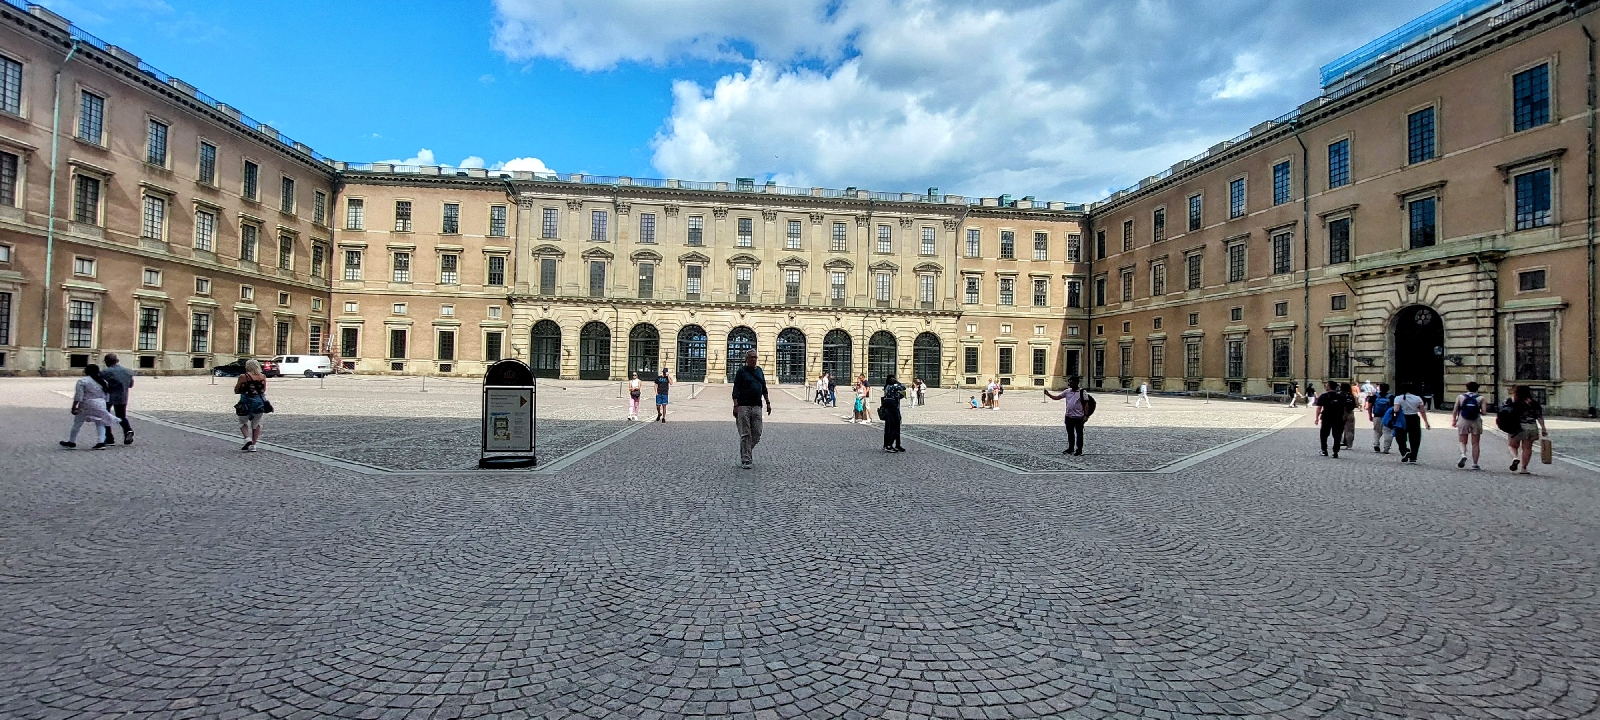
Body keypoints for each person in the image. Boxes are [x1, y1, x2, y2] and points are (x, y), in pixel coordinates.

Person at [60, 364, 118, 449]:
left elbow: (79, 396)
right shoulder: (103, 381)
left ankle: (72, 441)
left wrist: (74, 406)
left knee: (78, 422)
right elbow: (107, 396)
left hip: (87, 403)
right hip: (100, 403)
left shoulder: (83, 381)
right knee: (100, 423)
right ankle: (101, 442)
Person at [731, 350, 772, 469]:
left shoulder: (759, 371)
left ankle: (746, 451)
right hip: (743, 406)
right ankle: (746, 459)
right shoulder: (741, 371)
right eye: (751, 357)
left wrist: (768, 402)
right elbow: (736, 389)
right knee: (745, 433)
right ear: (747, 359)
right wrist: (735, 405)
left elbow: (764, 387)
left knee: (757, 433)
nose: (754, 359)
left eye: (755, 357)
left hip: (757, 405)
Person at [1505, 384, 1549, 474]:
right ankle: (1524, 468)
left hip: (1517, 427)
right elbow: (1539, 416)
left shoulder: (1512, 401)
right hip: (1532, 427)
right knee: (1527, 448)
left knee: (1512, 445)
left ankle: (1515, 458)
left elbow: (1505, 412)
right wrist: (1543, 428)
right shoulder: (1534, 403)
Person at [1044, 376, 1091, 456]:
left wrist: (1086, 415)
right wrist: (1049, 395)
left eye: (1071, 382)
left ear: (1077, 383)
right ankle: (1070, 448)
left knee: (1079, 434)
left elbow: (1086, 404)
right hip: (1068, 417)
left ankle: (1079, 450)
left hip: (1078, 417)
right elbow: (1058, 397)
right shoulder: (1067, 391)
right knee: (1070, 434)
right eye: (1069, 382)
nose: (1070, 384)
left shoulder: (1082, 392)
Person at [234, 359, 269, 452]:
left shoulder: (243, 376)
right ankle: (253, 445)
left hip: (246, 402)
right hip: (259, 403)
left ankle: (247, 438)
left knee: (243, 422)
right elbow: (263, 390)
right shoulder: (263, 376)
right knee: (257, 423)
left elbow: (237, 390)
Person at [102, 353, 135, 445]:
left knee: (105, 415)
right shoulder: (127, 371)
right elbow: (130, 384)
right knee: (121, 416)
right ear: (117, 361)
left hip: (108, 396)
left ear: (107, 362)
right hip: (122, 395)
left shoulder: (105, 372)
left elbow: (101, 384)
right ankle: (128, 430)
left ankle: (109, 437)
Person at [1451, 381, 1485, 470]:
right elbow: (1484, 412)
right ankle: (1475, 464)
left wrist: (1454, 420)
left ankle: (1463, 455)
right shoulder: (1481, 398)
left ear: (1467, 388)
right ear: (1477, 388)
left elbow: (1455, 410)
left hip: (1463, 419)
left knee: (1462, 441)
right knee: (1475, 443)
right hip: (1476, 420)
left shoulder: (1460, 397)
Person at [1393, 384, 1431, 463]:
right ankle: (1413, 457)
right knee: (1415, 438)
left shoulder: (1398, 398)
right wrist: (1426, 422)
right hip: (1414, 418)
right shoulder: (1417, 398)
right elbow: (1422, 411)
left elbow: (1396, 410)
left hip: (1402, 418)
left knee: (1400, 437)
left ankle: (1404, 451)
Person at [1313, 381, 1345, 458]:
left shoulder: (1324, 396)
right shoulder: (1341, 396)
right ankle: (1335, 451)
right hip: (1338, 417)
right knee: (1337, 435)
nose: (1326, 386)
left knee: (1324, 435)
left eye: (1327, 385)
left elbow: (1319, 408)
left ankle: (1324, 450)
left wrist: (1317, 418)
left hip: (1326, 417)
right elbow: (1344, 408)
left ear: (1329, 387)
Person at [880, 373, 907, 452]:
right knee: (894, 427)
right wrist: (897, 382)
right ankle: (889, 445)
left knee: (891, 428)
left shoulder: (887, 387)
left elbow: (897, 395)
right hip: (893, 409)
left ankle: (894, 444)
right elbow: (903, 387)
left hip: (890, 408)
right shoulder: (892, 387)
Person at [1367, 382, 1395, 454]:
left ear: (1379, 388)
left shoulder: (1374, 397)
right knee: (1388, 432)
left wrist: (1370, 415)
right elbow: (1394, 408)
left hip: (1377, 416)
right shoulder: (1391, 397)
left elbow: (1369, 407)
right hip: (1388, 417)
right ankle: (1386, 448)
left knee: (1377, 431)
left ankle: (1376, 444)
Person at [1339, 382, 1359, 450]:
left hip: (1340, 412)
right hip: (1350, 412)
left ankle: (1338, 442)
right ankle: (1349, 445)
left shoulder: (1338, 394)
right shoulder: (1351, 395)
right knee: (1349, 430)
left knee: (1339, 429)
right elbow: (1356, 405)